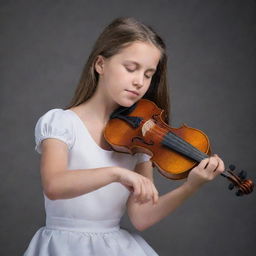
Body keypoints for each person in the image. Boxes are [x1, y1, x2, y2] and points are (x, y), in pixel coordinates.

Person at [23, 17, 225, 256]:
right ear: (100, 64)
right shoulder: (61, 122)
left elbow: (141, 217)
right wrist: (116, 173)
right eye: (131, 68)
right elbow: (54, 186)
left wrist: (191, 186)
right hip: (62, 246)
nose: (140, 81)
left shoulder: (139, 138)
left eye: (149, 74)